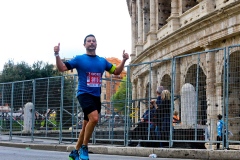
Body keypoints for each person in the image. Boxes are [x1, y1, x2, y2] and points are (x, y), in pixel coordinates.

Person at [53, 34, 129, 160]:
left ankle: (75, 152)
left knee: (85, 126)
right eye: (89, 41)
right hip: (83, 94)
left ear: (96, 44)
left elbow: (117, 72)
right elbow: (62, 68)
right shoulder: (79, 59)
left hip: (96, 96)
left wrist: (124, 60)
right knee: (94, 118)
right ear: (84, 45)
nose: (91, 42)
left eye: (94, 41)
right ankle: (84, 147)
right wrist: (57, 54)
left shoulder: (102, 61)